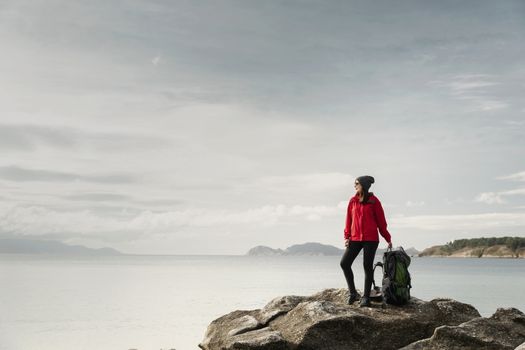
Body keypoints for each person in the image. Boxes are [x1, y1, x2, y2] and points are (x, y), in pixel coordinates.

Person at [340, 175, 392, 307]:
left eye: (357, 183)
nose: (355, 186)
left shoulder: (374, 201)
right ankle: (353, 293)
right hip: (355, 238)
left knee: (367, 266)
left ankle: (366, 297)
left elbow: (381, 222)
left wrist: (387, 238)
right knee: (344, 263)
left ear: (363, 184)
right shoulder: (353, 201)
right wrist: (347, 237)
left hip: (371, 239)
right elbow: (348, 220)